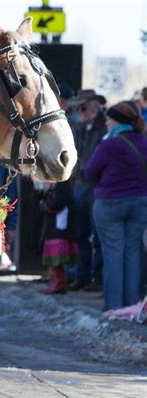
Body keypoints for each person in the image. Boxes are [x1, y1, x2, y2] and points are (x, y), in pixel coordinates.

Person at [85, 101, 147, 319]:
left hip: (110, 204)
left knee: (113, 253)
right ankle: (131, 305)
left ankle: (113, 306)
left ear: (117, 121)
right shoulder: (144, 141)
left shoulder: (109, 144)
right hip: (140, 204)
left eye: (109, 119)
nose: (107, 123)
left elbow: (90, 172)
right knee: (132, 253)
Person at [69, 89, 107, 292]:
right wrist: (77, 174)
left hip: (96, 186)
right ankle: (83, 275)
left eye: (82, 107)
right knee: (81, 233)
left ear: (93, 107)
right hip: (81, 186)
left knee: (98, 234)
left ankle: (98, 278)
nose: (79, 111)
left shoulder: (103, 128)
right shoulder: (80, 128)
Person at [39, 181, 78, 294]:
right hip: (56, 225)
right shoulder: (58, 183)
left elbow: (57, 203)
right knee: (56, 257)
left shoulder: (62, 184)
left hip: (59, 227)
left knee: (57, 256)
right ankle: (57, 282)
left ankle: (59, 283)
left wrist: (44, 205)